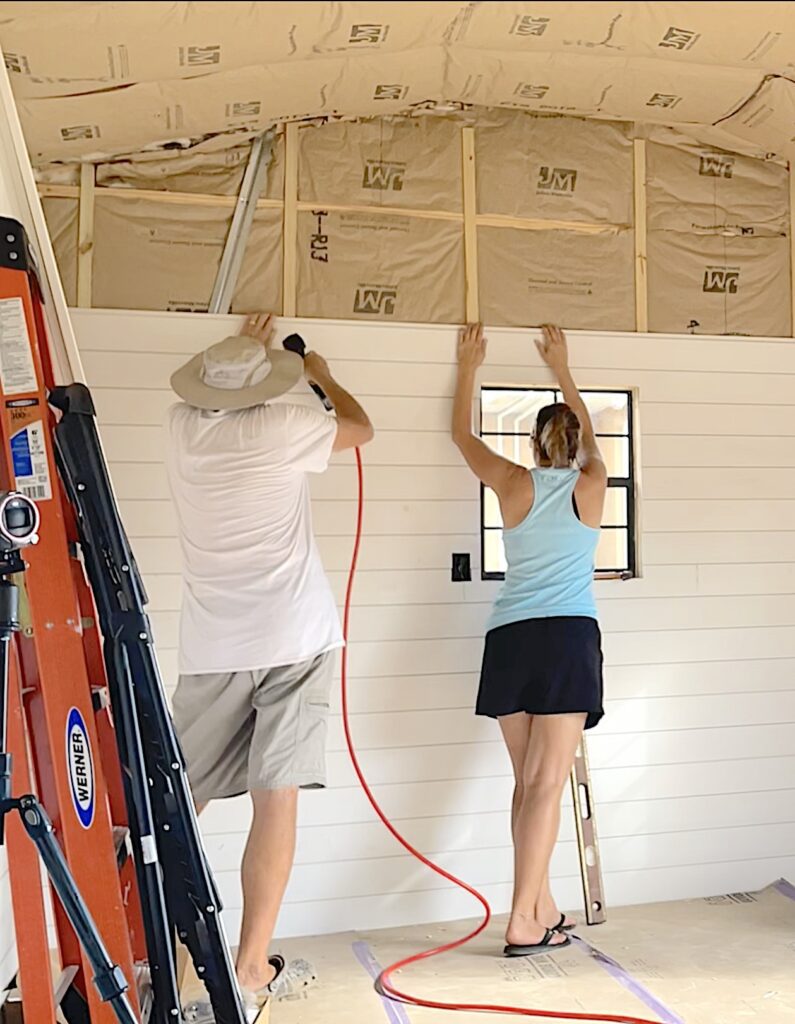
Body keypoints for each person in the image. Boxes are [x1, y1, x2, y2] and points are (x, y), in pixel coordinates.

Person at [165, 313, 373, 1019]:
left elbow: (217, 399)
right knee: (274, 795)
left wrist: (244, 355)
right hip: (291, 637)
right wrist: (316, 373)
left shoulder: (181, 429)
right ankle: (250, 970)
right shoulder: (284, 429)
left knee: (174, 803)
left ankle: (147, 949)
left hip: (212, 648)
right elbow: (359, 427)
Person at [452, 322, 606, 957]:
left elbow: (461, 436)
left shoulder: (513, 483)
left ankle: (540, 905)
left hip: (510, 638)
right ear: (572, 443)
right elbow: (591, 438)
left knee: (528, 783)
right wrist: (564, 369)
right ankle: (522, 921)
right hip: (567, 637)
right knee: (546, 784)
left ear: (532, 443)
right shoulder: (591, 481)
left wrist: (469, 367)